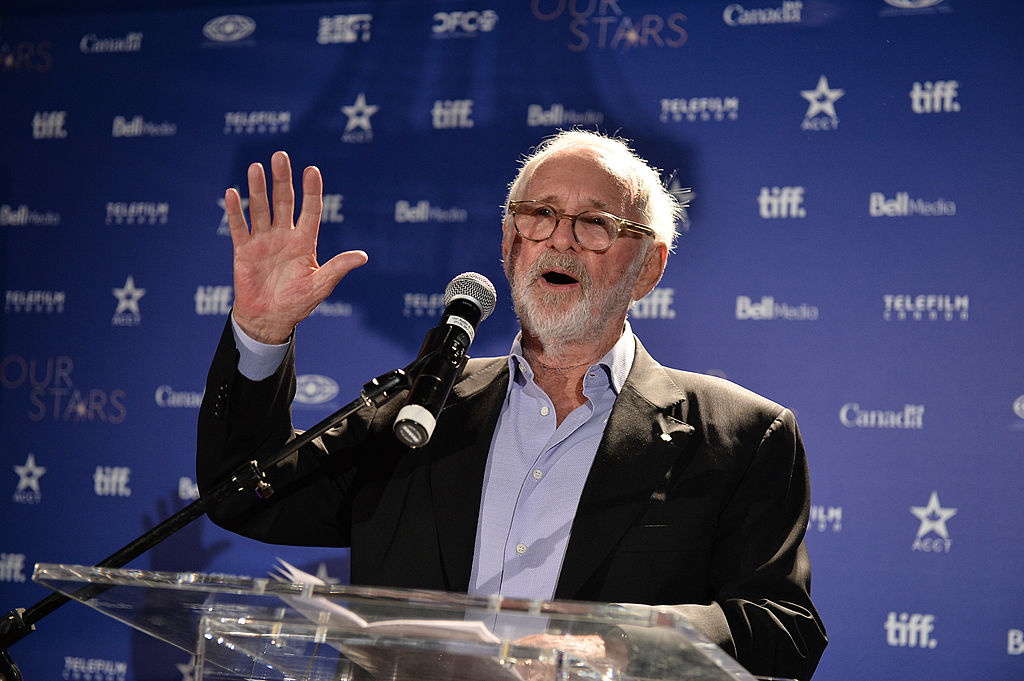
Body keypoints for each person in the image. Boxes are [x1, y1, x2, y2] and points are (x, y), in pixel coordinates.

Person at [197, 130, 827, 680]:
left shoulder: (741, 436)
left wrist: (621, 644)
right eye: (540, 215)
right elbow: (242, 494)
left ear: (648, 269)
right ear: (509, 243)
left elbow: (782, 631)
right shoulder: (421, 406)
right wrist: (261, 331)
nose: (561, 241)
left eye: (596, 223)